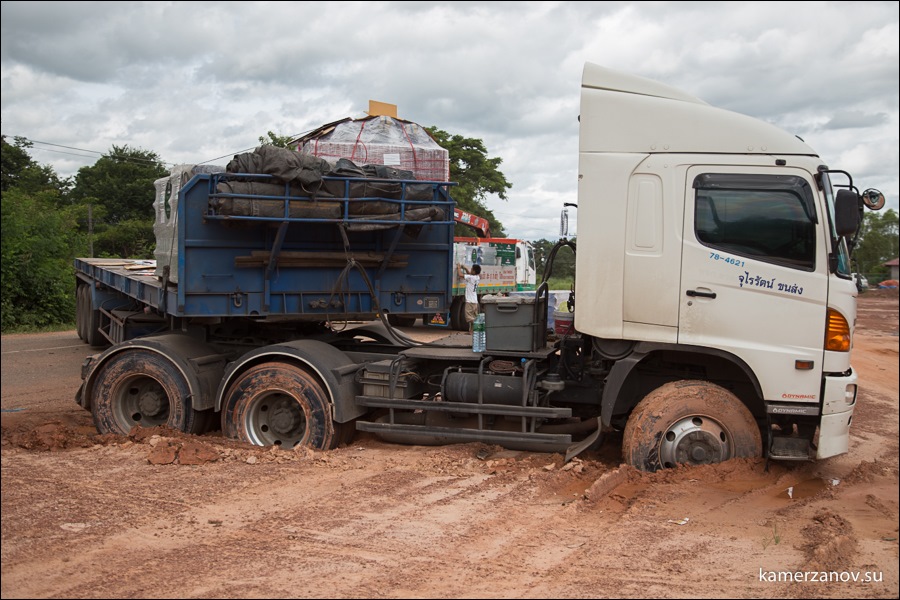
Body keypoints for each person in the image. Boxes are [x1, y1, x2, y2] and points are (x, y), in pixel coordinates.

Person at [458, 263, 481, 332]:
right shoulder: (477, 277)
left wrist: (459, 268)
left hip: (470, 301)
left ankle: (480, 323)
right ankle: (471, 331)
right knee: (473, 316)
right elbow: (469, 274)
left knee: (468, 318)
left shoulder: (471, 278)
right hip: (475, 302)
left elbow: (460, 275)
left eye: (471, 269)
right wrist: (465, 268)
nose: (470, 270)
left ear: (474, 271)